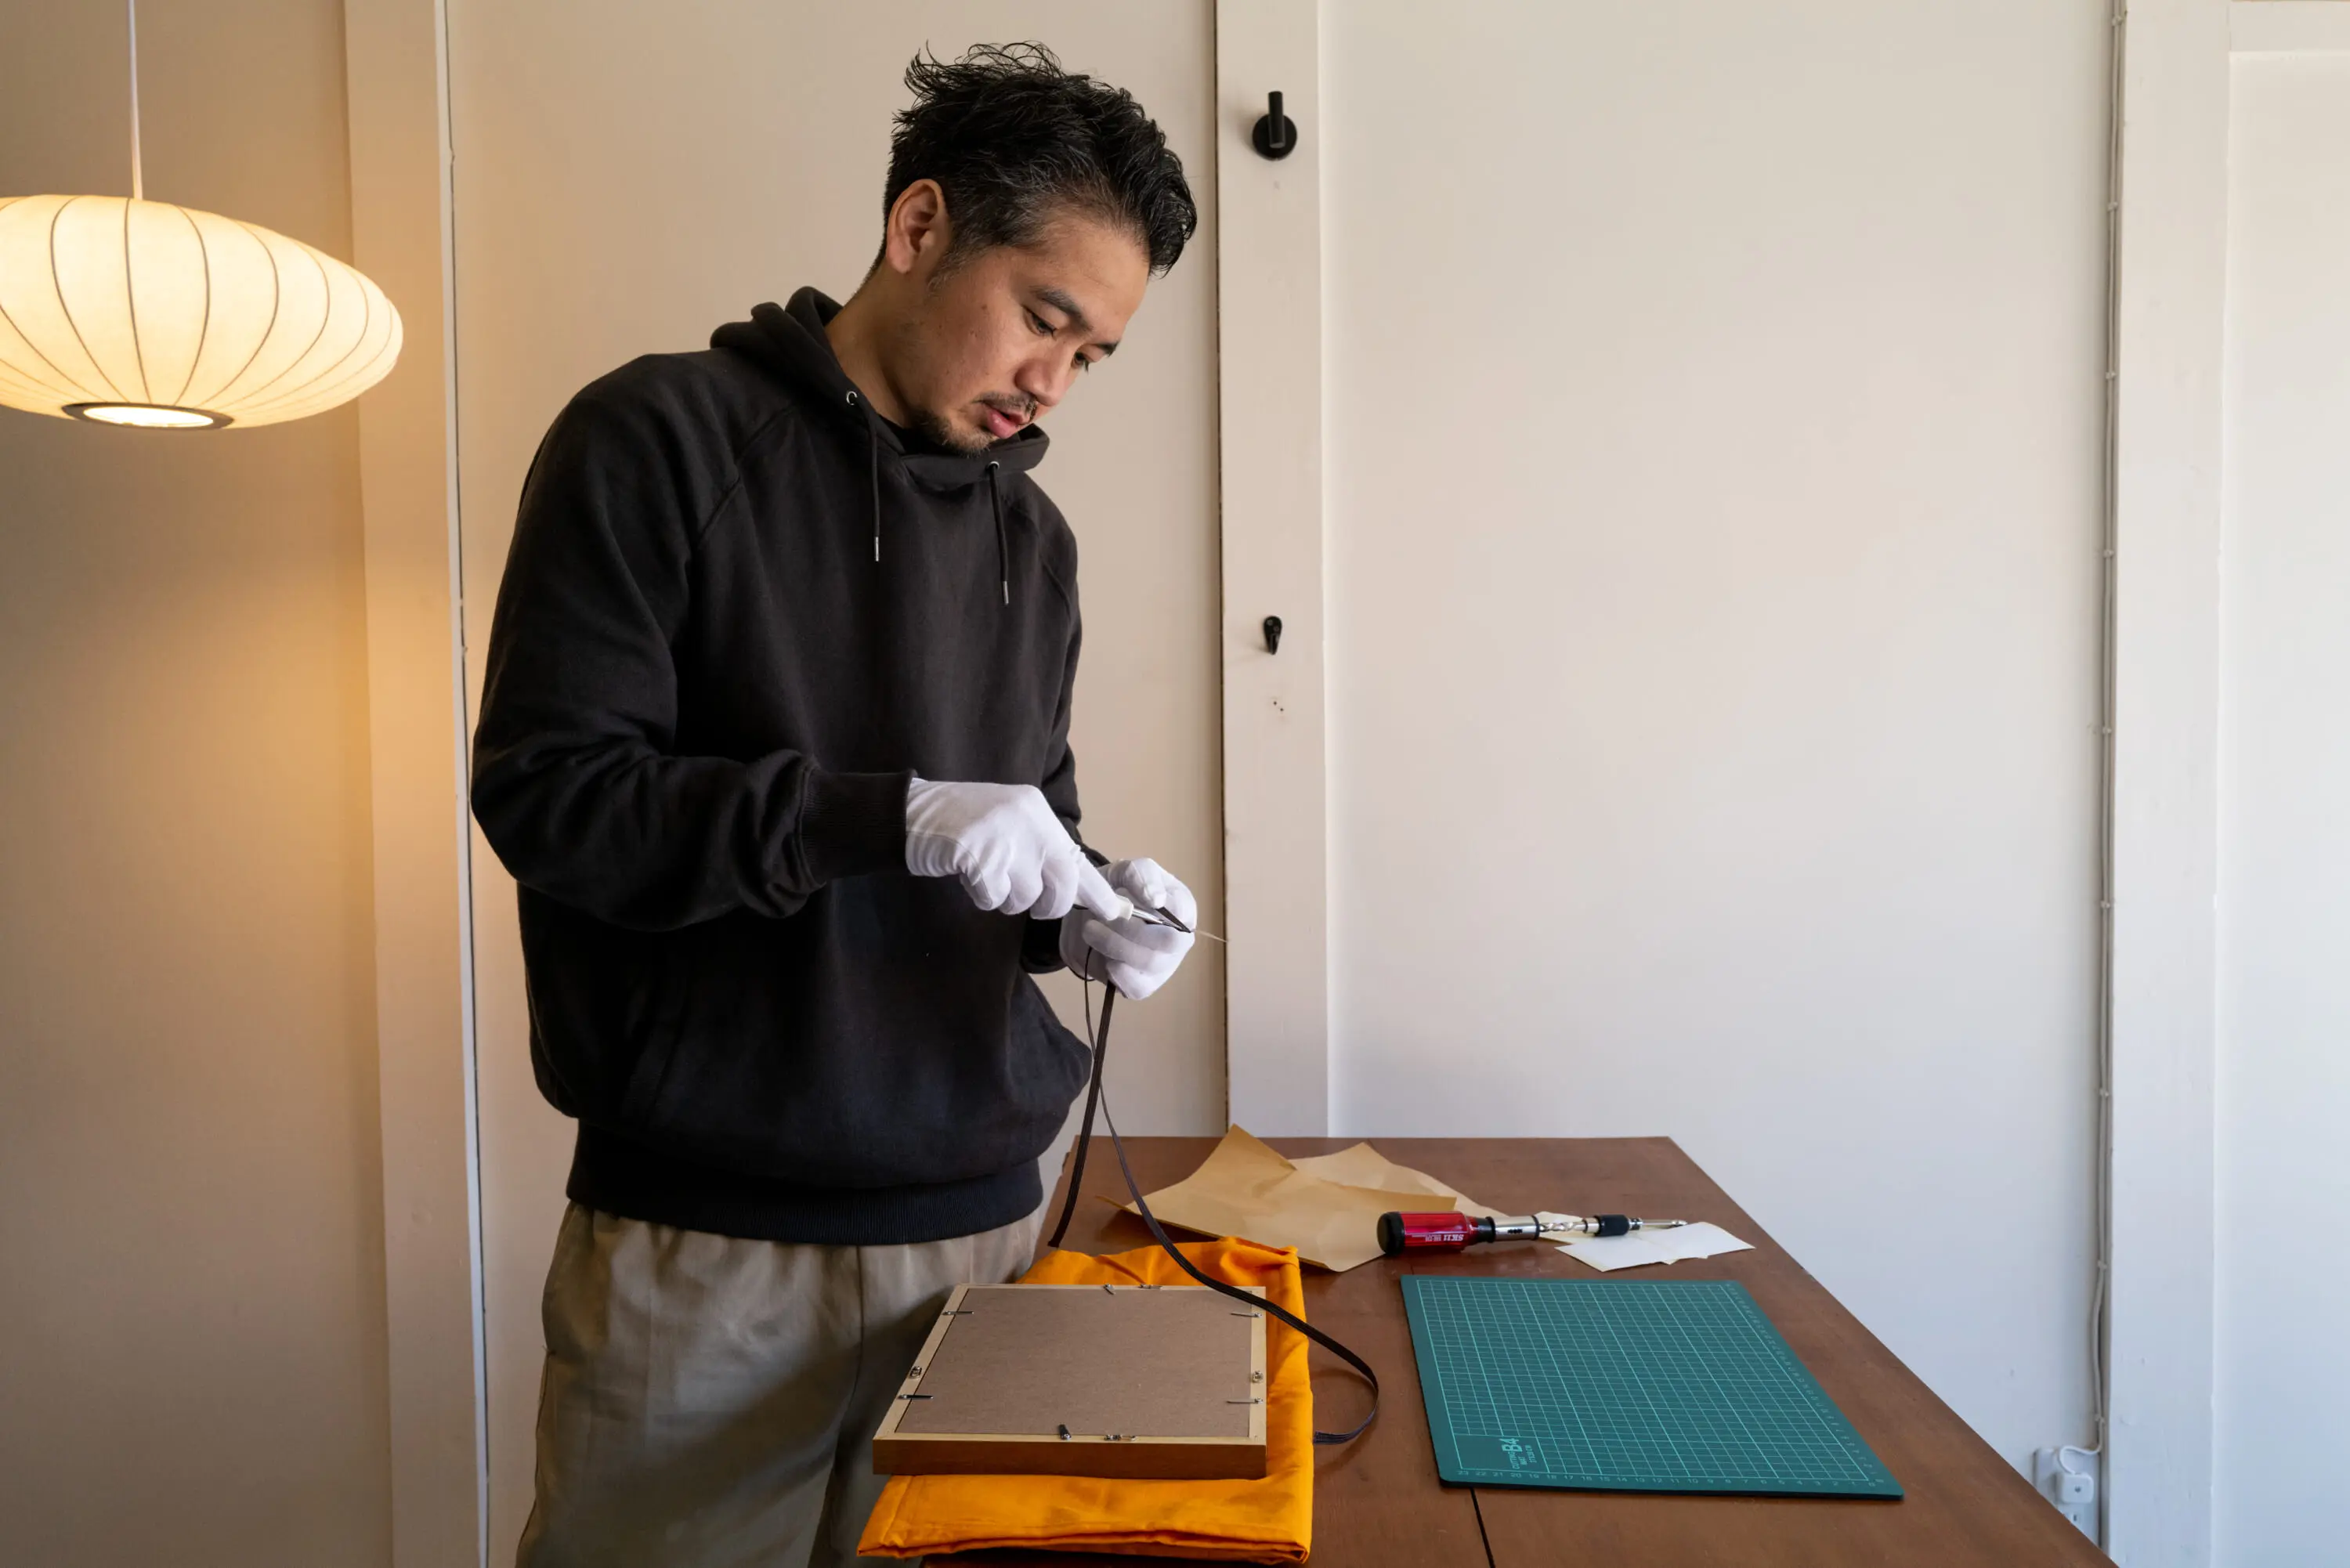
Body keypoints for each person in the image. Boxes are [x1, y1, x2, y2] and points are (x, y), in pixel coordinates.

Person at [468, 42, 1202, 1568]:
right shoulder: (655, 439)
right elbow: (554, 798)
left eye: (1093, 356)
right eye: (1043, 318)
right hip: (709, 1244)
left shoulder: (1036, 541)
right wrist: (888, 816)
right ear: (919, 225)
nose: (1052, 385)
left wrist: (1083, 908)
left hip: (984, 1232)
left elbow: (1025, 814)